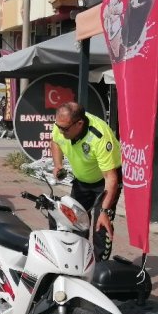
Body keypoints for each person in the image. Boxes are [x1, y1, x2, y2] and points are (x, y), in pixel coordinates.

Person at [49, 102, 122, 262]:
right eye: (58, 126)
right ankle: (77, 262)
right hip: (82, 180)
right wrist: (58, 164)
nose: (60, 131)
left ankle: (98, 268)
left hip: (105, 182)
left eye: (65, 129)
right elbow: (55, 141)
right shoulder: (62, 125)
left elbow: (111, 178)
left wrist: (104, 212)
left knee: (100, 226)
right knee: (75, 222)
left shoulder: (99, 137)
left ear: (79, 124)